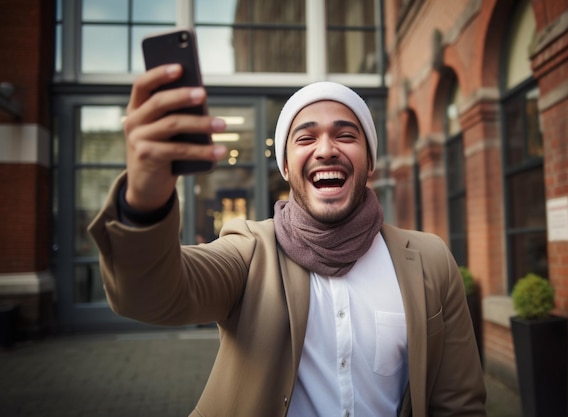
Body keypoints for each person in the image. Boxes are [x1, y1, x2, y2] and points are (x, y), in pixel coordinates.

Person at [88, 64, 486, 417]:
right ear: (285, 166)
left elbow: (459, 404)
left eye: (346, 135)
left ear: (369, 162)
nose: (326, 150)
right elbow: (150, 296)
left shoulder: (430, 260)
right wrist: (144, 200)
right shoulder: (249, 250)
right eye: (305, 138)